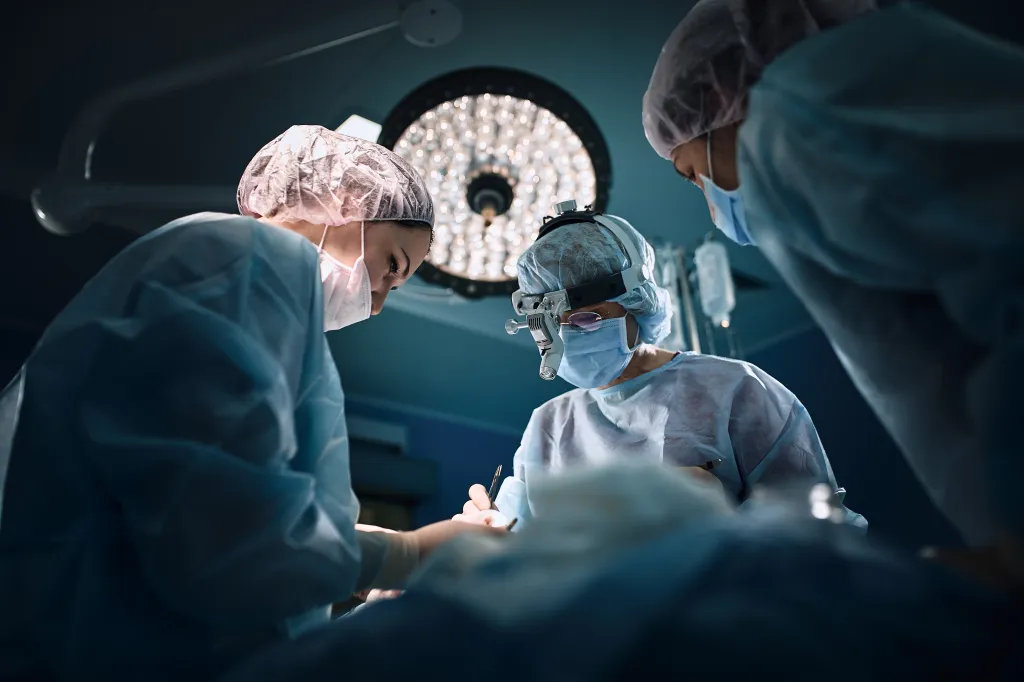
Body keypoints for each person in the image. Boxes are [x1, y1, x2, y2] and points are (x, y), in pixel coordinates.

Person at [0, 124, 501, 682]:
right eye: (392, 266)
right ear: (347, 199)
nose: (379, 303)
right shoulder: (244, 262)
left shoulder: (234, 273)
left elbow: (212, 519)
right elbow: (215, 537)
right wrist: (410, 553)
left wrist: (364, 561)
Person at [641, 0, 1024, 573]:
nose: (707, 195)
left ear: (720, 96)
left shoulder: (797, 123)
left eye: (691, 172)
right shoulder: (857, 91)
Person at [457, 213, 865, 531]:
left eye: (585, 319)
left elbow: (821, 538)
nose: (566, 336)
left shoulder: (738, 391)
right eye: (550, 325)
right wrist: (491, 531)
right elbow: (522, 552)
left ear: (637, 302)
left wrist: (713, 524)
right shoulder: (548, 426)